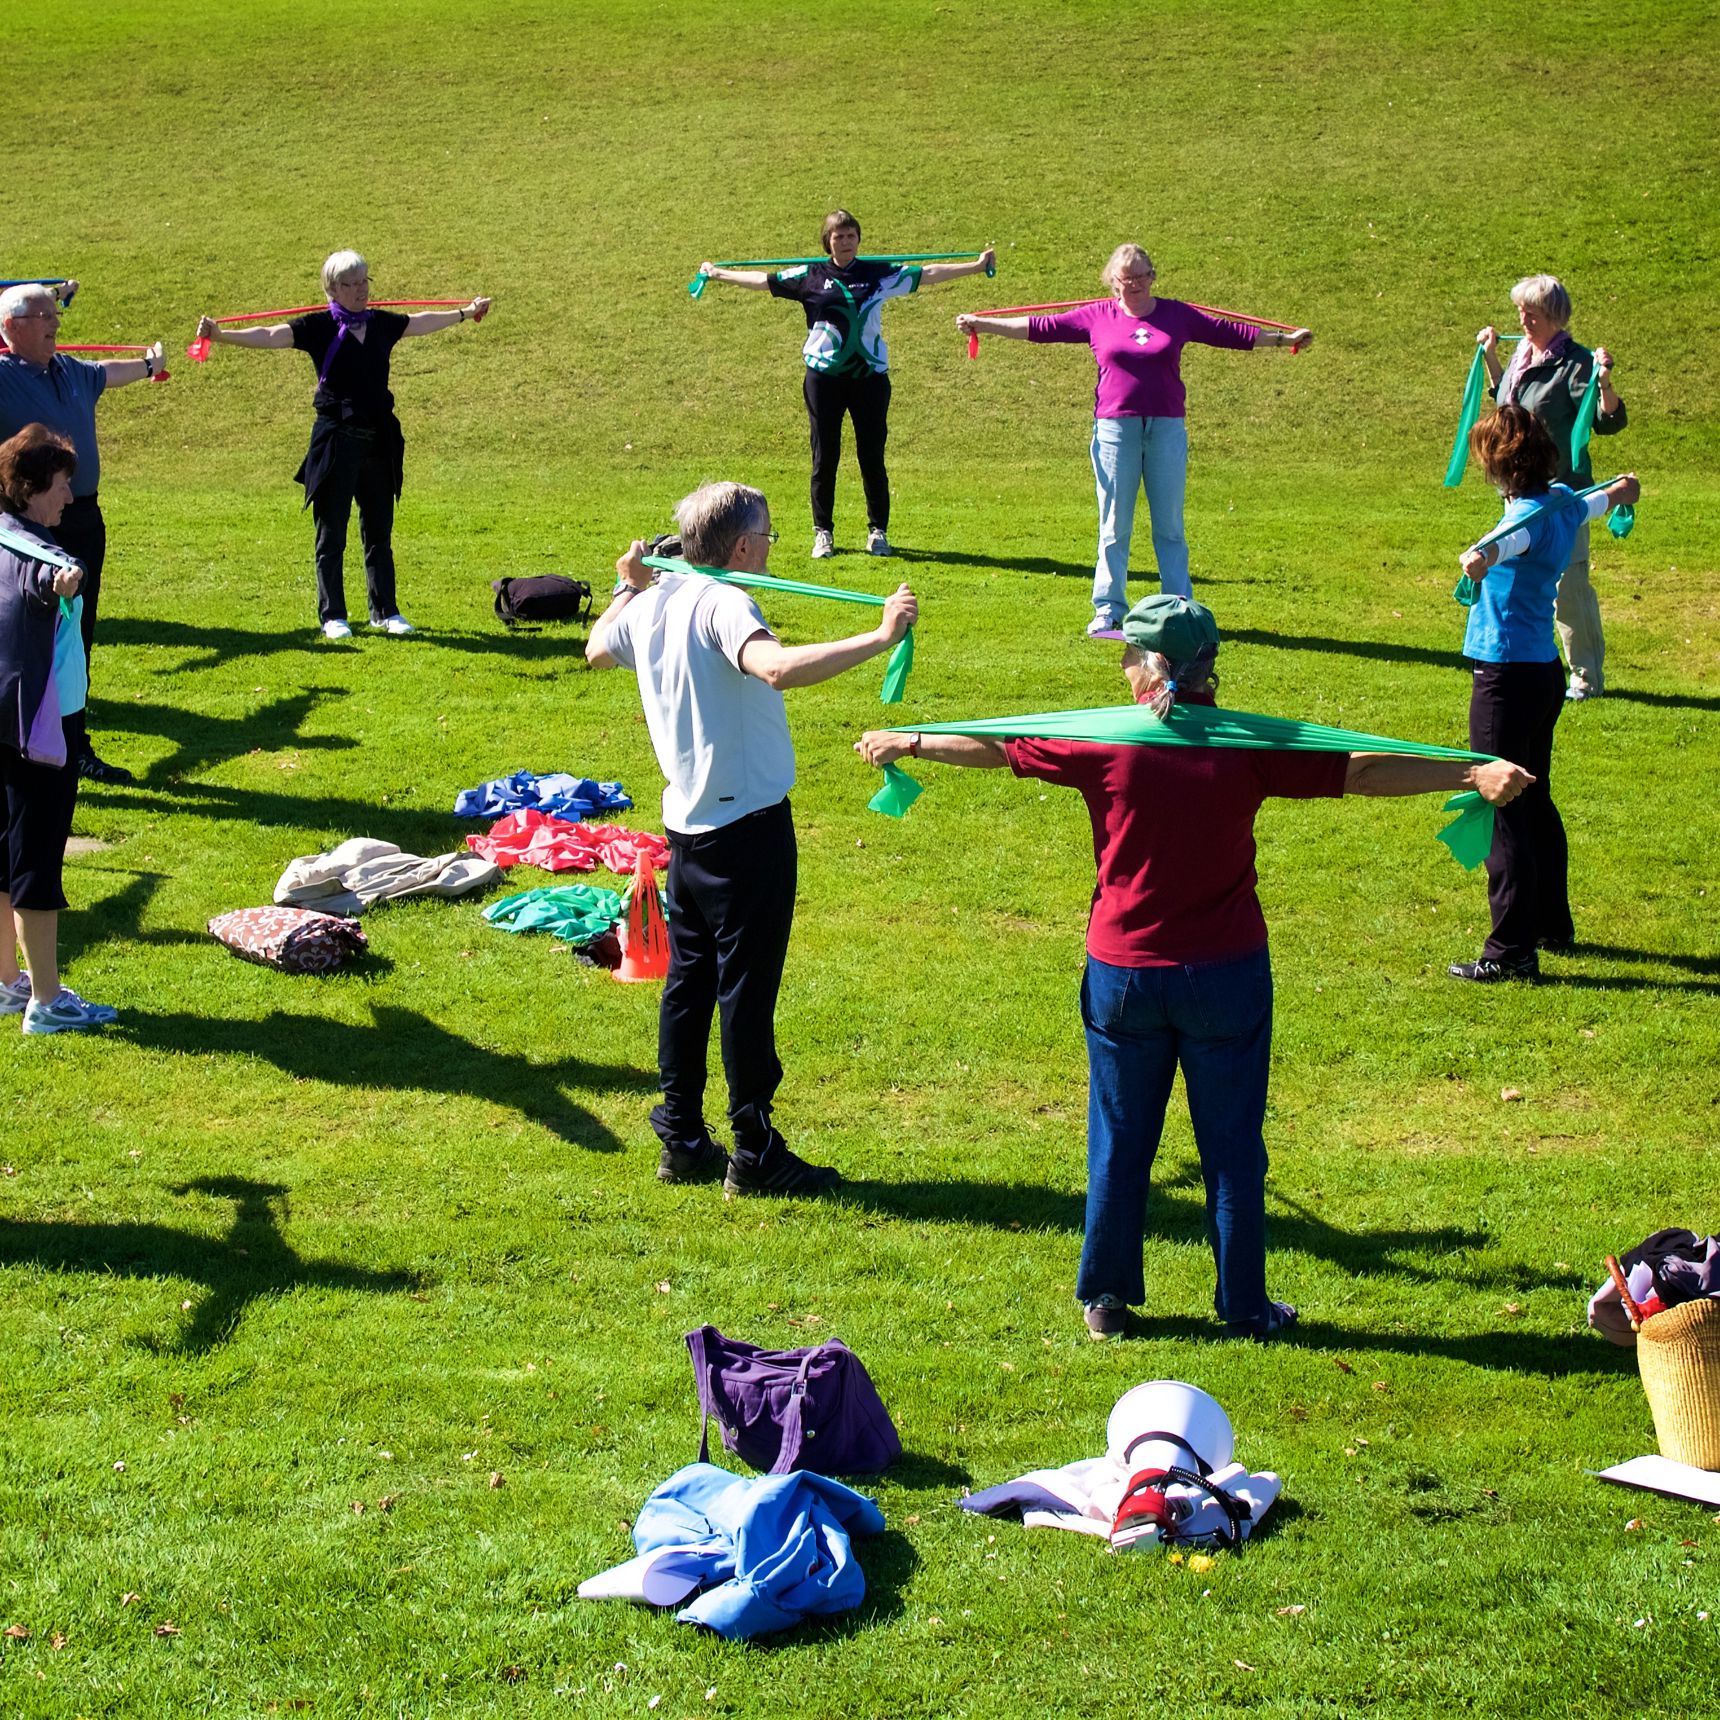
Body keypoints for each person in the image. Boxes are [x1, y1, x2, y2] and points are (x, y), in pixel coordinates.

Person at [856, 594, 1530, 1338]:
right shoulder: (1243, 744)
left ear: (1150, 667)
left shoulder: (1107, 744)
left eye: (1125, 654)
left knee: (1119, 1139)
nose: (1117, 665)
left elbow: (998, 749)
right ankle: (1244, 1306)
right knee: (1234, 1146)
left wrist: (910, 742)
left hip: (1124, 978)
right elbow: (1362, 771)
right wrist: (1468, 776)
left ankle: (1106, 1303)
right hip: (1226, 975)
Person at [587, 481, 917, 1196]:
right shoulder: (722, 601)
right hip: (747, 834)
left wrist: (627, 586)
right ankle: (754, 1148)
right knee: (743, 991)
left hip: (689, 832)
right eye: (767, 533)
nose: (773, 543)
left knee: (689, 985)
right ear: (740, 546)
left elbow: (594, 650)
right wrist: (880, 636)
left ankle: (680, 1136)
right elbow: (775, 668)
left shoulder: (654, 602)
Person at [957, 245, 1312, 637]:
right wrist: (983, 325)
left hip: (1166, 430)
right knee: (1114, 525)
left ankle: (1179, 607)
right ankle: (1108, 610)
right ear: (1114, 281)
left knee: (1170, 525)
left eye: (1144, 275)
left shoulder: (1177, 314)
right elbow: (1041, 328)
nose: (1137, 284)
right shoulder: (1097, 316)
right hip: (1114, 431)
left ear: (1153, 276)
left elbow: (1229, 333)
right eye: (1128, 278)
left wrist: (1284, 339)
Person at [194, 251, 491, 640]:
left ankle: (385, 611)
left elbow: (419, 323)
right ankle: (333, 615)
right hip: (336, 440)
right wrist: (219, 335)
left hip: (379, 440)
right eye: (350, 284)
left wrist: (466, 312)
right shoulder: (318, 327)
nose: (360, 291)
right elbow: (270, 336)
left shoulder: (381, 324)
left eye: (365, 282)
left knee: (378, 533)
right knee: (332, 533)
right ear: (332, 289)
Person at [1449, 407, 1639, 982]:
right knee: (1534, 799)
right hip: (1541, 674)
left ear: (1500, 467)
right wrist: (1623, 490)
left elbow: (1500, 551)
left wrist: (1478, 558)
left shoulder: (1524, 521)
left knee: (1501, 806)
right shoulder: (1562, 502)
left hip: (1504, 676)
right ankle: (1551, 923)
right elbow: (1602, 499)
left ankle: (1510, 951)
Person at [699, 212, 994, 559]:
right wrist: (717, 274)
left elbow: (927, 274)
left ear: (859, 239)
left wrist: (975, 266)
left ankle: (878, 532)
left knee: (872, 457)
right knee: (825, 457)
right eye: (839, 236)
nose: (846, 241)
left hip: (869, 379)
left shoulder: (878, 274)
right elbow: (763, 282)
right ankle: (823, 533)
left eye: (852, 235)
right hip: (824, 379)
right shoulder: (809, 277)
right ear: (828, 241)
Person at [0, 283, 166, 783]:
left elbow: (106, 374)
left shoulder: (70, 369)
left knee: (77, 634)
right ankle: (31, 741)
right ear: (11, 328)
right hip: (28, 524)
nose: (55, 323)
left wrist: (149, 366)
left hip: (82, 517)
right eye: (45, 315)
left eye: (56, 314)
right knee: (32, 633)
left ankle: (74, 745)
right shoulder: (3, 376)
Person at [0, 424, 118, 1033]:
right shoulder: (44, 558)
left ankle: (7, 985)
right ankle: (46, 1002)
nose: (69, 497)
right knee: (37, 864)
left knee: (2, 855)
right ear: (27, 487)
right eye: (61, 484)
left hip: (6, 721)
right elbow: (35, 593)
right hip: (43, 731)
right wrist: (58, 589)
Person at [1477, 274, 1627, 701]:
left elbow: (1606, 420)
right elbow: (1510, 406)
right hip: (1520, 491)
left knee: (1569, 586)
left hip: (1562, 494)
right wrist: (1491, 359)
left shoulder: (1575, 362)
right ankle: (1535, 662)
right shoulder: (1524, 354)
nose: (1523, 319)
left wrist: (1604, 382)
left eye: (1532, 313)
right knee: (1525, 580)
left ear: (1555, 317)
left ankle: (1585, 677)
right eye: (1520, 311)